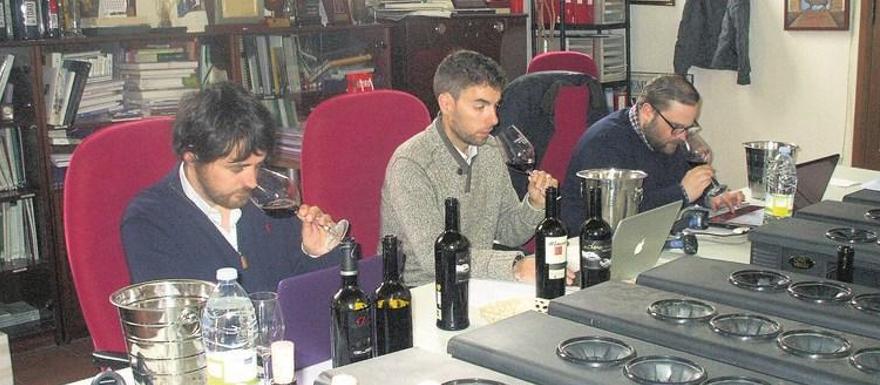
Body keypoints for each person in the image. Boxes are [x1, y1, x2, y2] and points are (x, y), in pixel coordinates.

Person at [122, 82, 341, 292]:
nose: (252, 181)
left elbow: (300, 297)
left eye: (258, 165)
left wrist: (315, 254)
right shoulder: (150, 221)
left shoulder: (270, 198)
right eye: (237, 168)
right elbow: (179, 324)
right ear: (191, 156)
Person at [380, 50, 561, 287]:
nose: (494, 119)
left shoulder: (489, 149)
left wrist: (535, 204)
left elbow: (507, 231)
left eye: (496, 106)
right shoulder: (411, 164)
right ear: (446, 103)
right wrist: (514, 267)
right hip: (421, 292)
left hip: (477, 283)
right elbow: (435, 258)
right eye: (480, 107)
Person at [560, 74, 744, 233]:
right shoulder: (604, 143)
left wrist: (709, 196)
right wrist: (683, 193)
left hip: (650, 237)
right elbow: (618, 218)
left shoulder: (664, 137)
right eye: (678, 127)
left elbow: (674, 180)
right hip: (594, 249)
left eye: (688, 127)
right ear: (648, 112)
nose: (683, 136)